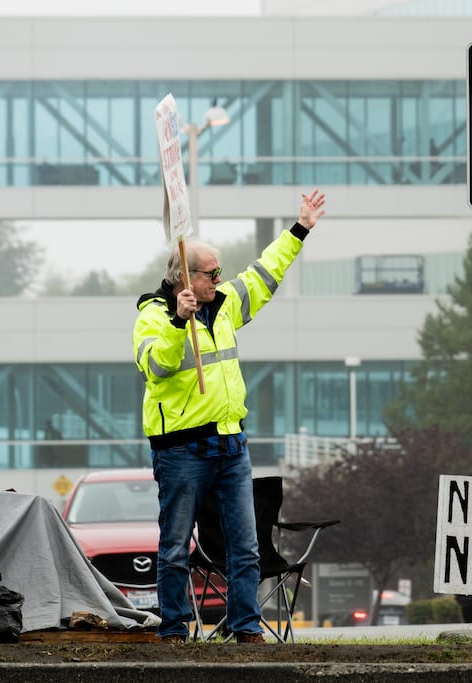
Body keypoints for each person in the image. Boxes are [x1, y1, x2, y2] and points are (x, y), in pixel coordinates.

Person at [133, 188, 327, 643]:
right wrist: (180, 324)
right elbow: (156, 367)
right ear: (185, 277)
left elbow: (265, 273)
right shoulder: (153, 315)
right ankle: (175, 630)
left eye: (220, 272)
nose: (220, 279)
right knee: (175, 548)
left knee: (245, 546)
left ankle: (245, 628)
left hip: (231, 445)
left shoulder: (224, 306)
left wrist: (299, 229)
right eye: (211, 273)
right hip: (181, 450)